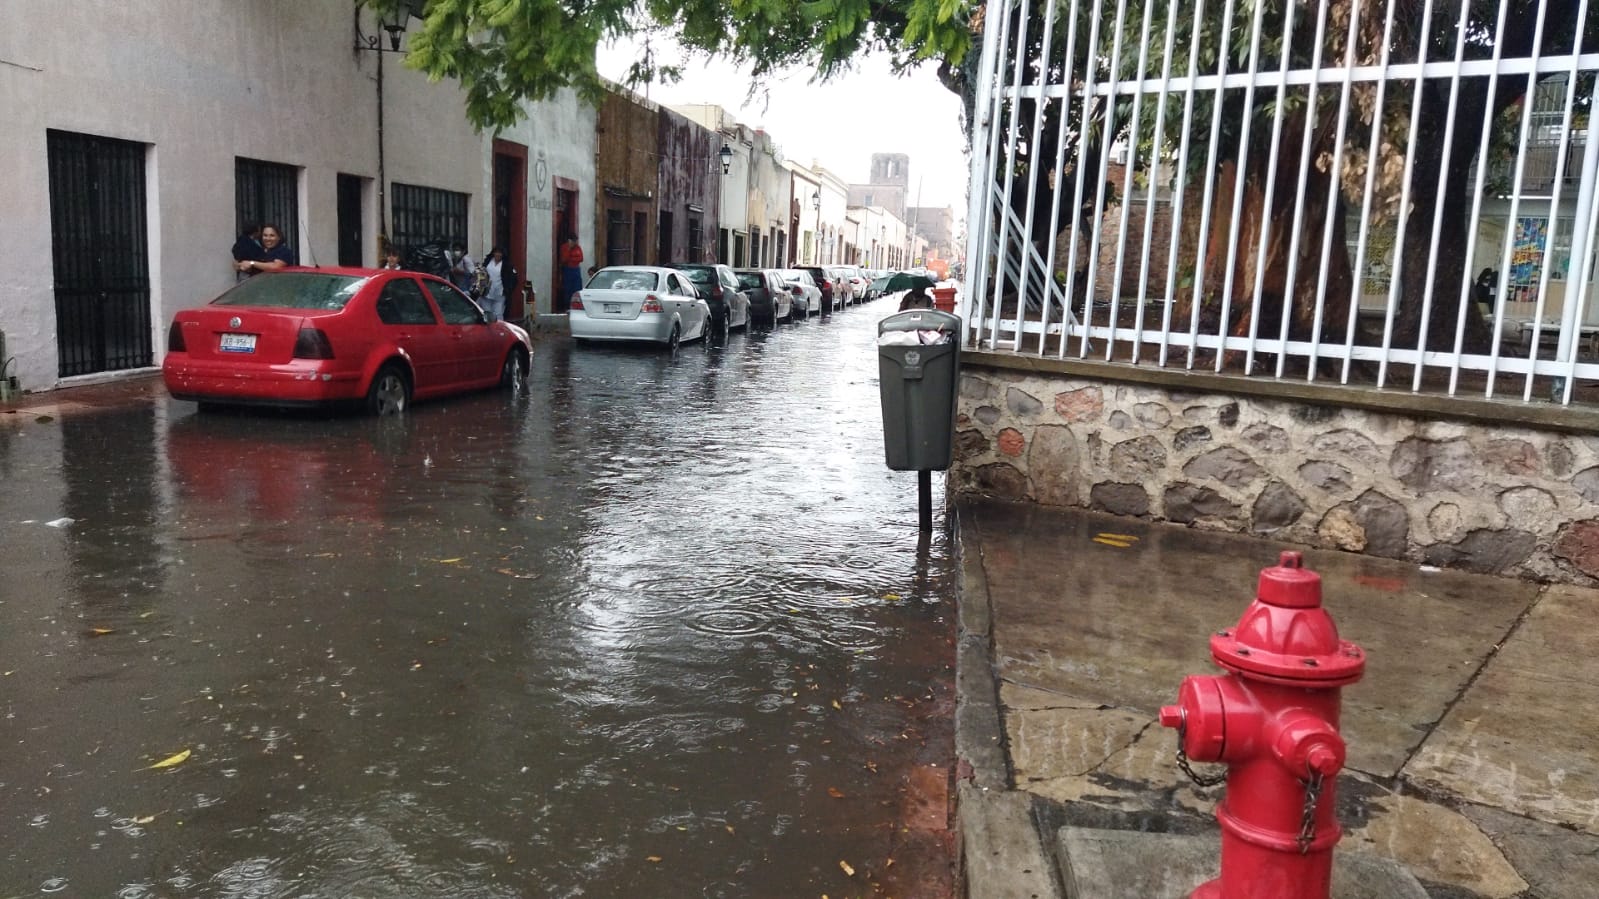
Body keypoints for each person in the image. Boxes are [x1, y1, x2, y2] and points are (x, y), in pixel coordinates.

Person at [482, 246, 517, 323]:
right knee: (487, 313)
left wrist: (508, 289)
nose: (498, 254)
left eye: (500, 253)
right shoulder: (488, 262)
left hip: (500, 293)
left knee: (498, 314)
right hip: (487, 293)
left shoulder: (507, 265)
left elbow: (513, 279)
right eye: (496, 252)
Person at [559, 234, 585, 309]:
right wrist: (569, 249)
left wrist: (571, 258)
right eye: (574, 241)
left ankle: (577, 305)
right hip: (568, 269)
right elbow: (564, 259)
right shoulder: (564, 247)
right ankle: (567, 306)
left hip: (576, 269)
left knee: (577, 287)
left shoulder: (578, 247)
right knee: (568, 288)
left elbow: (581, 258)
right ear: (569, 241)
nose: (575, 243)